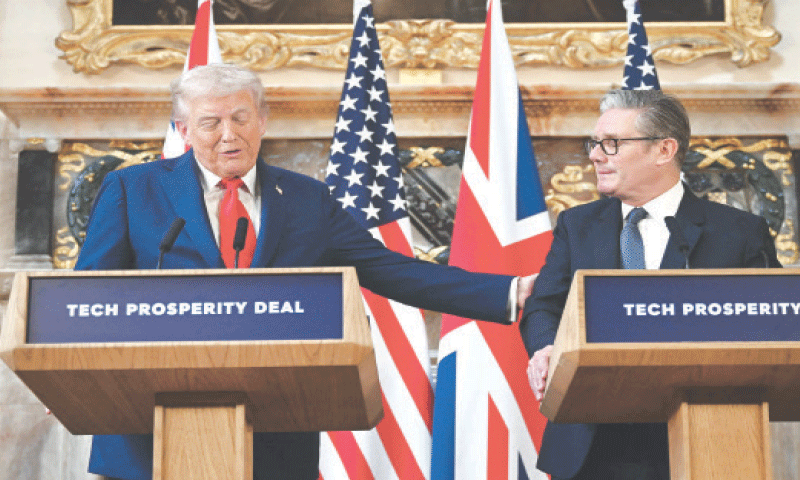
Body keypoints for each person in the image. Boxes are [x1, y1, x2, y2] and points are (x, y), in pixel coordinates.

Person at [74, 63, 534, 480]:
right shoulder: (133, 190)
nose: (228, 134)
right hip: (148, 430)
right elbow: (90, 293)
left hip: (274, 433)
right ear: (184, 130)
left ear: (263, 121)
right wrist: (77, 377)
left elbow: (393, 271)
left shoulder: (305, 199)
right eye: (210, 123)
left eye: (240, 118)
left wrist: (513, 291)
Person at [521, 89, 782, 480]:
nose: (595, 155)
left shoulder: (739, 232)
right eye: (594, 143)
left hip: (704, 440)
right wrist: (544, 348)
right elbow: (544, 304)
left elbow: (774, 323)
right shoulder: (578, 225)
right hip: (592, 445)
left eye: (611, 144)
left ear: (664, 150)